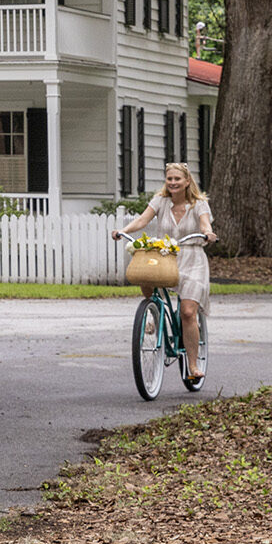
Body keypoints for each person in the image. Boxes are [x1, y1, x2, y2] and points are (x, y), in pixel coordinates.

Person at [114, 161, 214, 383]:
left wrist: (208, 233)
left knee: (188, 312)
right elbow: (142, 219)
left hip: (193, 258)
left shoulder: (199, 204)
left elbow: (205, 223)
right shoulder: (160, 201)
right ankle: (153, 313)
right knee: (145, 273)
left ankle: (193, 364)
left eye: (177, 179)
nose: (173, 183)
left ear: (187, 181)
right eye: (169, 179)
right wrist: (123, 231)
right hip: (167, 256)